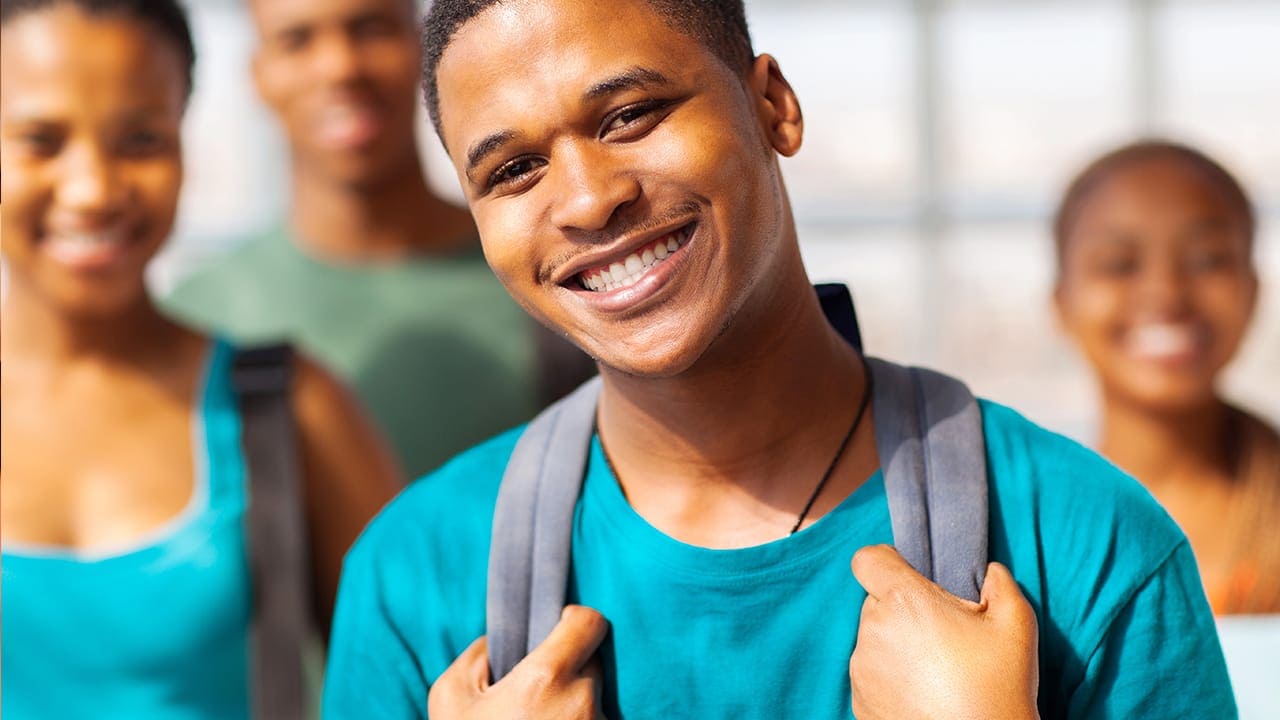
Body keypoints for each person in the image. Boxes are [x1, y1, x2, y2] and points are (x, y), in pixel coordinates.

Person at [323, 1, 1235, 718]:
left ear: (773, 106)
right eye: (512, 171)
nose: (589, 200)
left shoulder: (1083, 539)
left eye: (632, 114)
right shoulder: (417, 578)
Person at [0, 1, 399, 717]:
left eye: (141, 140)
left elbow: (423, 681)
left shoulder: (286, 405)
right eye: (40, 140)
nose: (92, 189)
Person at [161, 0, 594, 478]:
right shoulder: (199, 313)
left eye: (370, 28)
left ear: (420, 46)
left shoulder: (556, 265)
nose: (340, 67)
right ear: (258, 75)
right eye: (297, 40)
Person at [1053, 140, 1279, 715]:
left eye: (1208, 258)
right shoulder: (1020, 531)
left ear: (1253, 291)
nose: (1166, 294)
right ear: (1062, 302)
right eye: (1119, 264)